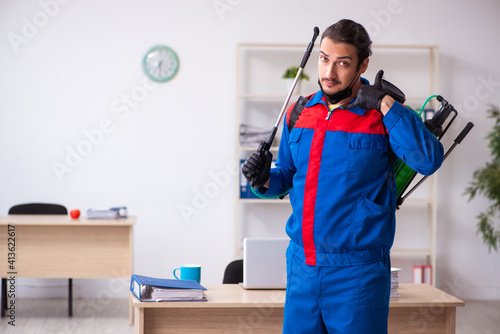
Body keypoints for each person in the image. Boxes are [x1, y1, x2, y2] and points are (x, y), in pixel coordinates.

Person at [241, 19, 444, 333]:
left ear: (363, 65)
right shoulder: (301, 111)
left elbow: (428, 160)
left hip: (358, 273)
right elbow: (286, 176)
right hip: (302, 267)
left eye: (342, 63)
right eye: (324, 59)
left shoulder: (384, 115)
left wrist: (384, 102)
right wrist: (263, 179)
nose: (329, 73)